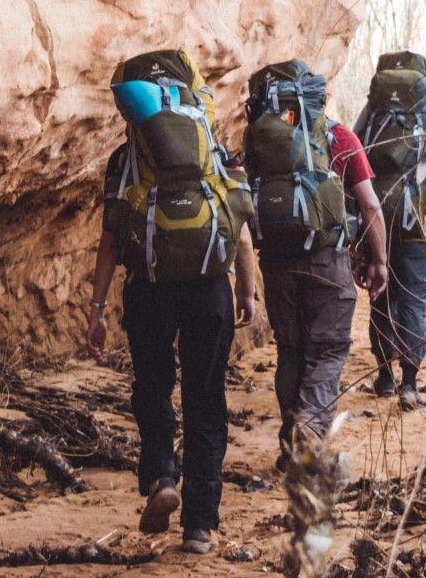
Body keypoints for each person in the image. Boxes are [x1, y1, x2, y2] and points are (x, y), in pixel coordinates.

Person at [86, 50, 256, 555]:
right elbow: (239, 227)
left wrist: (95, 310)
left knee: (153, 387)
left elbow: (110, 241)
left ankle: (162, 474)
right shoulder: (214, 149)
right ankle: (200, 526)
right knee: (206, 400)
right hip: (209, 286)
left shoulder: (126, 159)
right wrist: (246, 289)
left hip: (149, 286)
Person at [242, 61, 389, 471]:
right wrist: (378, 260)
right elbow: (370, 205)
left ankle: (291, 448)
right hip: (328, 263)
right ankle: (308, 432)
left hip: (276, 263)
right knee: (326, 352)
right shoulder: (339, 137)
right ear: (319, 99)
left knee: (291, 351)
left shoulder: (258, 143)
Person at [354, 51, 426, 410]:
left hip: (377, 218)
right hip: (418, 219)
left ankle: (384, 377)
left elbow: (356, 150)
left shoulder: (373, 107)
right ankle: (409, 385)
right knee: (414, 302)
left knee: (381, 301)